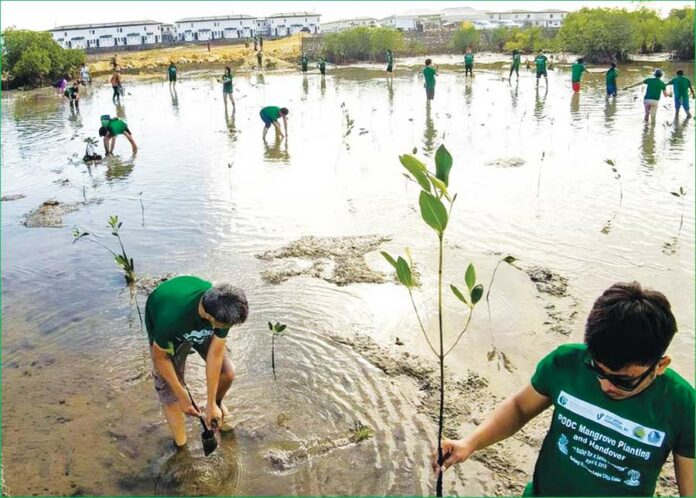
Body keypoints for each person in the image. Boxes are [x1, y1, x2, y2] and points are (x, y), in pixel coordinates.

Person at [432, 281, 694, 497]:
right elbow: (520, 407)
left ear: (660, 366)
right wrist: (470, 443)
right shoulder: (566, 362)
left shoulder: (682, 404)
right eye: (597, 370)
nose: (606, 386)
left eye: (623, 380)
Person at [145, 276, 248, 448]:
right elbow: (160, 358)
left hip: (197, 323)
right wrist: (182, 394)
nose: (227, 328)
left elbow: (215, 355)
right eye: (223, 326)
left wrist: (211, 403)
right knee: (171, 393)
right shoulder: (171, 318)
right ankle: (181, 447)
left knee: (227, 372)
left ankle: (216, 407)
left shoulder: (225, 309)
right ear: (208, 316)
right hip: (167, 328)